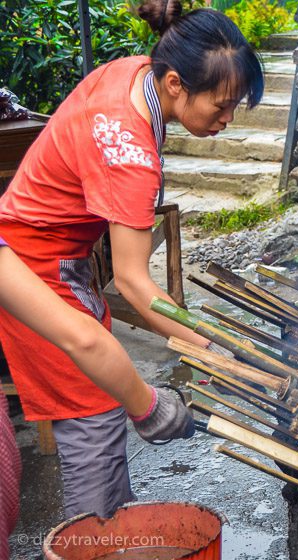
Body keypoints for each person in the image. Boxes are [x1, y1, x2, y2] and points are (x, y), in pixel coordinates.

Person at [0, 0, 263, 519]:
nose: (228, 120)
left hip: (50, 253)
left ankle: (114, 530)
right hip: (34, 261)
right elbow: (135, 284)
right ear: (175, 85)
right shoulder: (129, 155)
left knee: (102, 394)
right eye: (221, 106)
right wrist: (211, 356)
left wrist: (208, 354)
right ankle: (94, 540)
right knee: (94, 412)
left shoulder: (133, 73)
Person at [0, 236, 194, 557]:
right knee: (93, 418)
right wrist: (148, 407)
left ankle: (108, 539)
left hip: (47, 290)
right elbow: (89, 335)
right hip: (47, 295)